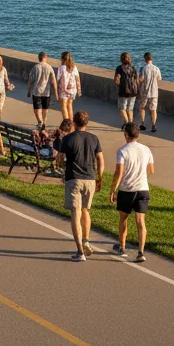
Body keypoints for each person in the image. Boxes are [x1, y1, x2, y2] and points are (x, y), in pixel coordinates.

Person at [54, 112, 104, 261]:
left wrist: (61, 164)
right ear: (87, 123)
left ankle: (80, 252)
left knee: (75, 213)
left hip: (74, 178)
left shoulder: (68, 139)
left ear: (74, 123)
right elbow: (100, 160)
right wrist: (99, 178)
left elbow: (60, 159)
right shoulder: (94, 138)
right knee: (85, 210)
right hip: (90, 179)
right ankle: (86, 240)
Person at [109, 123, 155, 262]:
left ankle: (122, 247)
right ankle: (141, 252)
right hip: (142, 188)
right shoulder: (146, 149)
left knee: (123, 218)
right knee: (141, 221)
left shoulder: (122, 150)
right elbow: (151, 170)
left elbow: (119, 172)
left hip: (126, 189)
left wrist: (113, 189)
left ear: (126, 135)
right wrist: (142, 178)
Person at [28, 51, 58, 129]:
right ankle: (44, 122)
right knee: (45, 109)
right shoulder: (49, 67)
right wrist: (56, 94)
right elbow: (53, 82)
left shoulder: (35, 67)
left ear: (39, 58)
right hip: (46, 92)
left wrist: (29, 91)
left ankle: (40, 121)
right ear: (45, 57)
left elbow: (30, 81)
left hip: (36, 91)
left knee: (36, 109)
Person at [137, 52, 162, 133]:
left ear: (145, 59)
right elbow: (159, 78)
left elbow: (141, 79)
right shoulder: (156, 68)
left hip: (144, 92)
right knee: (153, 109)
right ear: (152, 59)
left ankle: (142, 124)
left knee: (143, 108)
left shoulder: (142, 68)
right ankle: (153, 126)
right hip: (154, 92)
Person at [55, 51, 82, 122]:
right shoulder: (74, 67)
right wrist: (79, 91)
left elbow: (58, 80)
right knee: (70, 105)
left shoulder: (61, 68)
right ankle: (71, 122)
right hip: (72, 90)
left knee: (64, 106)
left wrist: (56, 90)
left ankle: (66, 123)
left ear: (63, 59)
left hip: (63, 90)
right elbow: (77, 79)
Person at [114, 52, 139, 125]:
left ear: (121, 59)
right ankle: (130, 124)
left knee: (122, 109)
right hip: (133, 91)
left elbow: (116, 81)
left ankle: (127, 123)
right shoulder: (133, 68)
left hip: (123, 91)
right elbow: (136, 80)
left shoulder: (119, 68)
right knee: (130, 109)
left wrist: (120, 82)